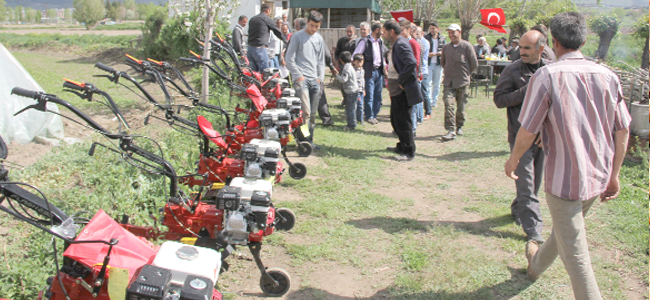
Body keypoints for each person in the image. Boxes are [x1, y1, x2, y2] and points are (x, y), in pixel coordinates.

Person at [505, 12, 630, 299]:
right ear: (584, 39)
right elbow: (622, 130)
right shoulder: (608, 76)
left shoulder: (547, 76)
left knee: (577, 255)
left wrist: (513, 160)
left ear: (554, 44)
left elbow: (527, 130)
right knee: (567, 233)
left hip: (564, 183)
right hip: (596, 177)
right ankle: (535, 265)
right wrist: (614, 175)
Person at [494, 30, 550, 244]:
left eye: (527, 48)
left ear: (541, 49)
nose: (522, 51)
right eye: (521, 47)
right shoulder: (512, 70)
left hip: (542, 137)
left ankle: (518, 209)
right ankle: (534, 231)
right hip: (520, 136)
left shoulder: (550, 70)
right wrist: (528, 90)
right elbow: (499, 100)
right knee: (526, 183)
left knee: (534, 184)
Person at [285, 10, 326, 148]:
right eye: (312, 25)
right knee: (305, 112)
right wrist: (298, 76)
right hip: (301, 80)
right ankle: (303, 141)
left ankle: (309, 141)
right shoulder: (297, 37)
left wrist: (320, 78)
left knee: (313, 114)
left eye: (317, 26)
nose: (314, 29)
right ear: (307, 22)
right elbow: (289, 59)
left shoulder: (319, 39)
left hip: (315, 80)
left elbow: (321, 61)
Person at [383, 20, 422, 162]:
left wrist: (401, 81)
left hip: (403, 90)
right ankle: (401, 146)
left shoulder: (401, 43)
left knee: (404, 121)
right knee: (396, 119)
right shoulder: (396, 43)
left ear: (391, 31)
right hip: (396, 90)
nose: (383, 34)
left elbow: (411, 63)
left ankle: (408, 151)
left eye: (384, 31)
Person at [439, 23, 478, 141]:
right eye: (449, 33)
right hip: (448, 82)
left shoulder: (467, 46)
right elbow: (443, 63)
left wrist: (466, 75)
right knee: (448, 105)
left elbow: (474, 64)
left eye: (453, 32)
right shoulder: (446, 47)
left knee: (461, 107)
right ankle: (451, 129)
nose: (451, 35)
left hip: (462, 82)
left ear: (459, 32)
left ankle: (459, 126)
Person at [353, 22, 385, 125]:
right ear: (377, 30)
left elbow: (382, 55)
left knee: (378, 95)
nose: (383, 32)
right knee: (370, 94)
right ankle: (369, 115)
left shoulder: (380, 41)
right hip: (369, 71)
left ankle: (374, 114)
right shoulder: (365, 41)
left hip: (379, 71)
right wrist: (359, 66)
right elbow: (355, 55)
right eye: (382, 30)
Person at [247, 3, 286, 72]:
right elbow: (276, 31)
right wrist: (286, 41)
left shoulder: (252, 19)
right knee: (265, 72)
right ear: (268, 10)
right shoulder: (266, 19)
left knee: (253, 72)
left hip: (250, 48)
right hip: (260, 48)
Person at [424, 21, 445, 114]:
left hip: (438, 63)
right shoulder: (426, 38)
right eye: (430, 28)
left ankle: (434, 101)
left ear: (437, 29)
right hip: (428, 63)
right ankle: (428, 100)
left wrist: (441, 53)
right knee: (428, 83)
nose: (432, 30)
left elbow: (445, 49)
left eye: (433, 28)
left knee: (437, 83)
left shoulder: (442, 38)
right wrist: (428, 54)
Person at [335, 51, 359, 130]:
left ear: (340, 59)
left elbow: (343, 80)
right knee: (352, 108)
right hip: (354, 90)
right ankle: (353, 123)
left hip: (351, 91)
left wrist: (336, 75)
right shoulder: (350, 66)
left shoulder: (346, 68)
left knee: (350, 109)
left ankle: (351, 125)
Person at [352, 54, 365, 125]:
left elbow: (363, 80)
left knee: (360, 105)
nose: (359, 63)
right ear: (354, 62)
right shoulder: (353, 71)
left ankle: (360, 119)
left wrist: (364, 89)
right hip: (356, 91)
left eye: (361, 62)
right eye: (357, 62)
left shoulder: (362, 70)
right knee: (357, 105)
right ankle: (357, 119)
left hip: (361, 90)